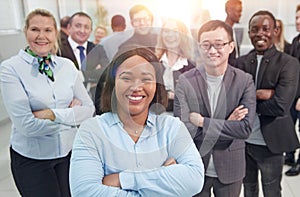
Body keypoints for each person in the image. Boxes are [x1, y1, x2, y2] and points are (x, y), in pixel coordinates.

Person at [69, 47, 205, 196]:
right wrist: (164, 178)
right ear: (113, 84)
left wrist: (122, 180)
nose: (136, 87)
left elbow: (194, 180)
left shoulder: (172, 127)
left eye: (146, 79)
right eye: (126, 78)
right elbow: (84, 192)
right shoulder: (91, 130)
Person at [0, 9, 95, 197]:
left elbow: (89, 109)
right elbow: (27, 126)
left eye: (48, 30)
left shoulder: (66, 66)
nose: (41, 36)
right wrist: (70, 118)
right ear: (25, 31)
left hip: (68, 154)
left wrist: (51, 114)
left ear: (56, 33)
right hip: (32, 160)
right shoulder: (11, 69)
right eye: (35, 29)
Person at [174, 20, 256, 197]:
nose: (212, 50)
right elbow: (184, 130)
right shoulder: (185, 81)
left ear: (231, 46)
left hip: (230, 167)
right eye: (206, 45)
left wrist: (203, 121)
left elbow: (244, 129)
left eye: (219, 44)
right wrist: (227, 125)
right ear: (199, 47)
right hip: (194, 166)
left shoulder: (244, 81)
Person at [234, 10, 300, 197]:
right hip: (244, 142)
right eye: (255, 29)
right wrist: (260, 94)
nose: (260, 33)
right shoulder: (240, 63)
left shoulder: (289, 63)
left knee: (272, 191)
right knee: (249, 190)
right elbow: (233, 100)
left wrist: (249, 100)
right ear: (249, 33)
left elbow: (281, 106)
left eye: (265, 28)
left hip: (270, 143)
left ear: (275, 31)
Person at [94, 5, 157, 115]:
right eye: (137, 20)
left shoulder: (160, 41)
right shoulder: (126, 47)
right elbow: (112, 76)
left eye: (145, 19)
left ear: (151, 20)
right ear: (132, 23)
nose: (142, 23)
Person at [155, 18, 195, 112]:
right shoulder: (154, 64)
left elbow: (191, 100)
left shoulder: (191, 67)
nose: (170, 35)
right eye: (166, 31)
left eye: (175, 31)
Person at [285, 4, 300, 176]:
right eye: (296, 17)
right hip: (294, 93)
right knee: (289, 125)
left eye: (299, 18)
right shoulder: (296, 41)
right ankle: (289, 156)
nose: (297, 21)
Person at [224, 0, 243, 65]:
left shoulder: (239, 30)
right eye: (238, 11)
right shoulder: (222, 31)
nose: (240, 14)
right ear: (229, 11)